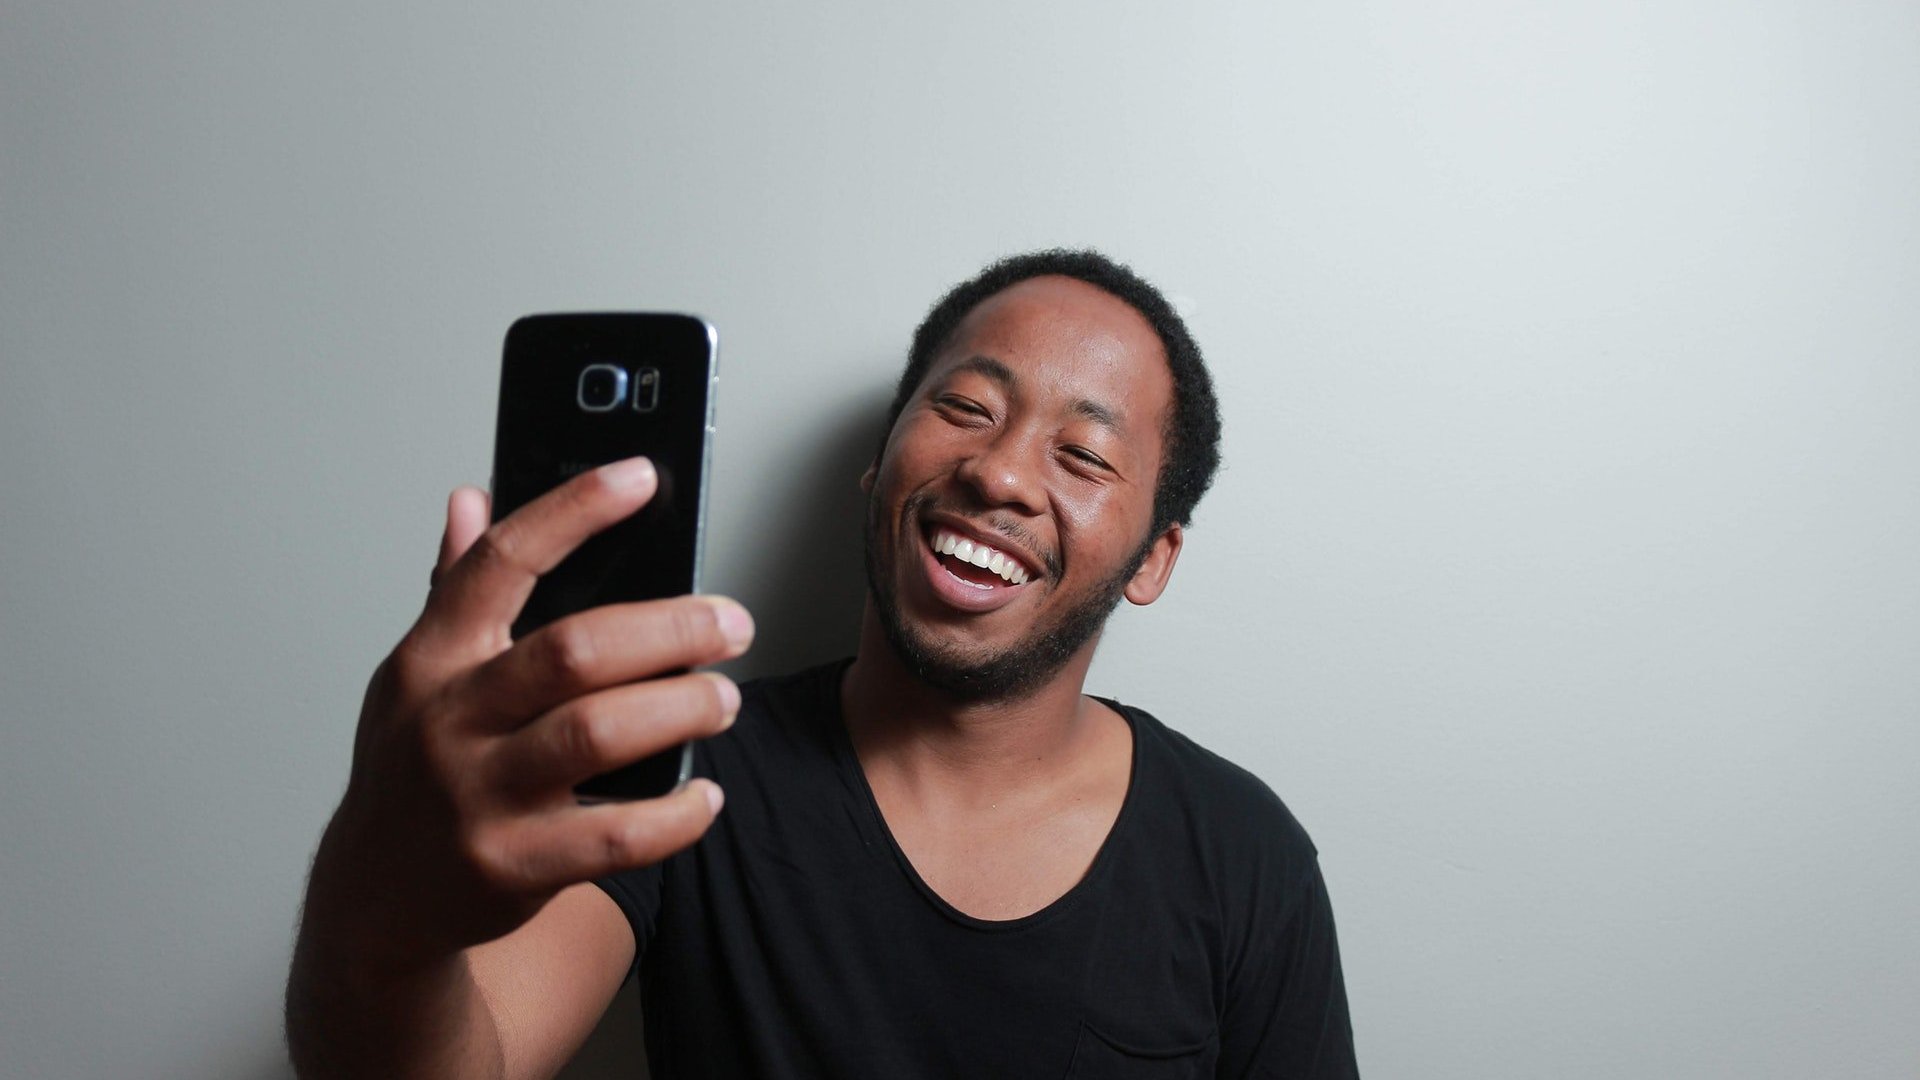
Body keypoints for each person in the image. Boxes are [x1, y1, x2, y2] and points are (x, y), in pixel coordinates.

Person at [286, 250, 1358, 1078]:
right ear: (882, 457)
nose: (997, 473)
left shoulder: (1244, 857)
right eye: (964, 409)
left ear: (1153, 559)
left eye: (1081, 455)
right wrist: (378, 892)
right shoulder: (677, 768)